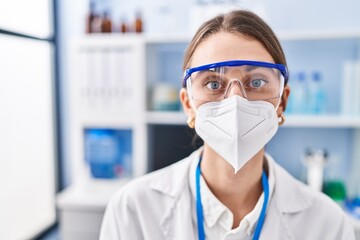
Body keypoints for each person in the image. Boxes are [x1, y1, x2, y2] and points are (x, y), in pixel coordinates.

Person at [100, 10, 355, 240]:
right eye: (213, 84)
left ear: (282, 102)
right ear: (188, 104)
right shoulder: (133, 211)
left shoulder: (328, 225)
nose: (235, 101)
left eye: (256, 82)